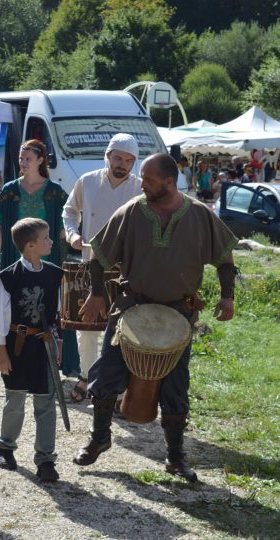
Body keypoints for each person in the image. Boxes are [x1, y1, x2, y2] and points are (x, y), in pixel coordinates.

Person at [73, 153, 238, 482]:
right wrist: (97, 293)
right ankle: (99, 438)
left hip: (178, 316)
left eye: (148, 179)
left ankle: (175, 458)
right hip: (131, 311)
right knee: (104, 378)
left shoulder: (200, 215)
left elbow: (225, 259)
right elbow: (98, 257)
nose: (142, 184)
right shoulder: (134, 210)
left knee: (176, 390)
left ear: (169, 182)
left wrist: (227, 296)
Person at [0, 139, 80, 376]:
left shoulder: (55, 193)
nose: (23, 162)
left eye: (28, 158)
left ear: (40, 160)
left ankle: (60, 360)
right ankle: (12, 360)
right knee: (12, 310)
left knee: (53, 310)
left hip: (47, 263)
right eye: (21, 158)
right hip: (14, 259)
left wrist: (66, 259)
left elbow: (63, 230)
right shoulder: (9, 190)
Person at [62, 133, 142, 403]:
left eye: (128, 160)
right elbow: (69, 210)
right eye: (118, 157)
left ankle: (119, 387)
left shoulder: (140, 188)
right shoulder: (88, 181)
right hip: (90, 261)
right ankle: (86, 376)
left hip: (126, 268)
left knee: (124, 327)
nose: (122, 164)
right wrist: (73, 234)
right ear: (107, 156)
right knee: (87, 324)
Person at [0, 217, 63, 482]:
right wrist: (1, 352)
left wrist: (58, 343)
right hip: (16, 346)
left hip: (43, 344)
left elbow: (57, 314)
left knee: (45, 402)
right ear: (30, 245)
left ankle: (45, 459)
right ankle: (6, 446)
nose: (51, 241)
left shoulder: (55, 273)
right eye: (46, 238)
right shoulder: (8, 278)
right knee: (15, 399)